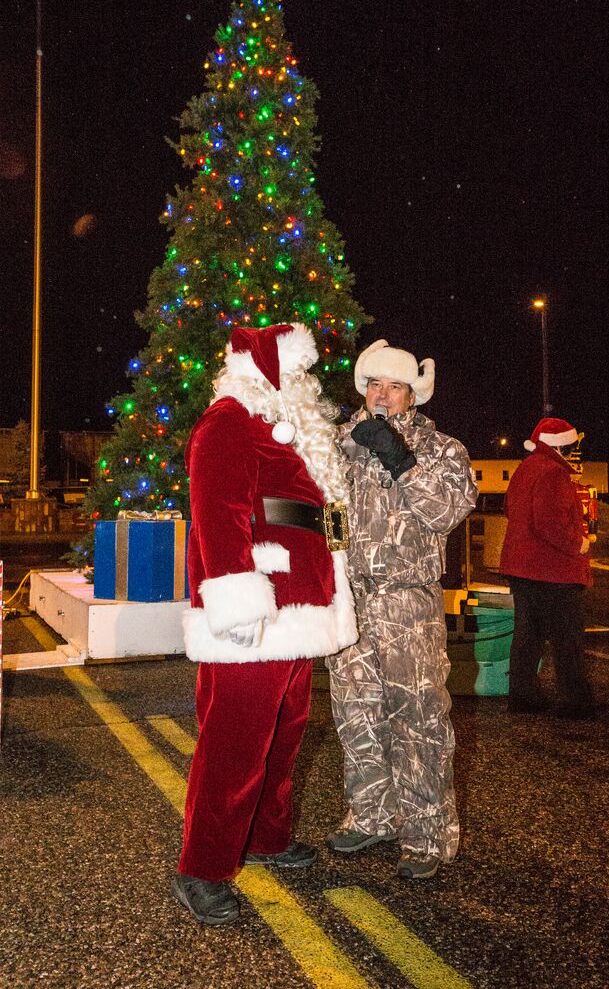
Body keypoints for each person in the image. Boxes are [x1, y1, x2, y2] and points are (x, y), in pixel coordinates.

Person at [172, 323, 357, 926]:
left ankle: (267, 838)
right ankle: (202, 866)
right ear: (266, 370)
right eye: (296, 371)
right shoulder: (227, 422)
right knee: (235, 742)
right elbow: (217, 515)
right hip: (260, 605)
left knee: (286, 729)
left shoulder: (283, 427)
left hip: (299, 604)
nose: (305, 382)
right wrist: (236, 601)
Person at [326, 339, 477, 881]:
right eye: (374, 385)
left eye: (393, 386)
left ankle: (427, 834)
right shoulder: (341, 444)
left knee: (417, 718)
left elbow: (448, 512)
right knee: (355, 711)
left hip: (406, 601)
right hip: (350, 600)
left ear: (413, 394)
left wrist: (400, 459)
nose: (382, 395)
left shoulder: (442, 449)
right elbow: (323, 511)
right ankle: (372, 815)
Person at [499, 416, 599, 719]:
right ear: (563, 447)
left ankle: (523, 696)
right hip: (552, 570)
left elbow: (509, 509)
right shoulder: (554, 474)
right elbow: (551, 523)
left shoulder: (526, 468)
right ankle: (575, 702)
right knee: (567, 637)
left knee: (528, 636)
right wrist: (579, 542)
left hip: (523, 568)